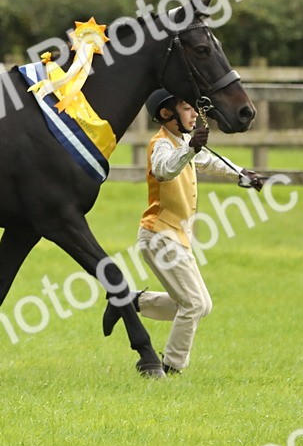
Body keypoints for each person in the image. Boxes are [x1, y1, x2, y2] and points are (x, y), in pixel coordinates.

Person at [109, 89, 266, 376]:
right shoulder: (161, 145)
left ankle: (132, 302)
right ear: (167, 114)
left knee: (201, 306)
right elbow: (164, 170)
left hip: (175, 238)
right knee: (192, 304)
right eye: (187, 108)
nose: (195, 113)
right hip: (158, 236)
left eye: (194, 108)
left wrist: (242, 174)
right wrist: (191, 148)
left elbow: (210, 161)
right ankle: (170, 367)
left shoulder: (183, 142)